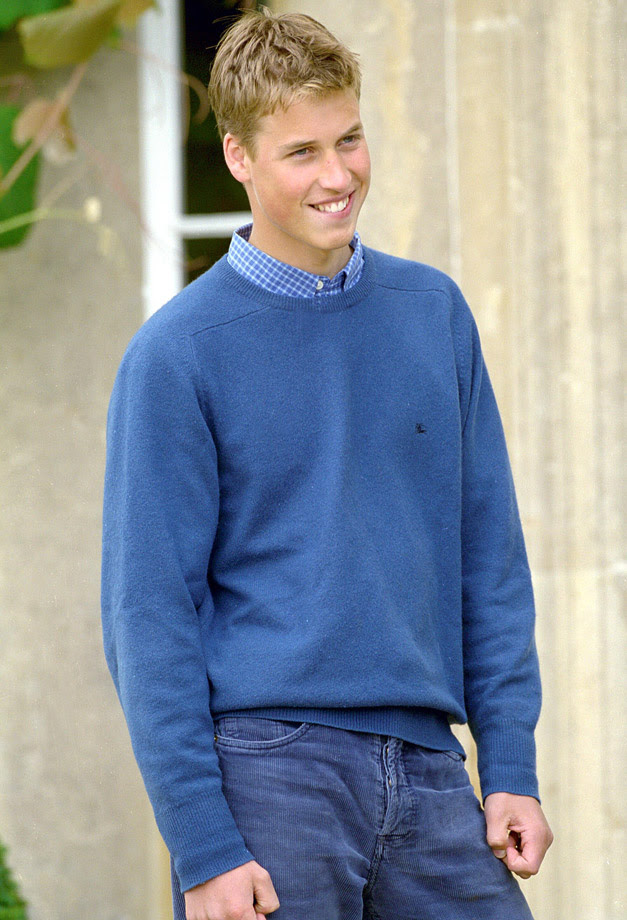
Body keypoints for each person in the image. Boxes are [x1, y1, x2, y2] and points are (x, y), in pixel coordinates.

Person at [101, 9, 553, 920]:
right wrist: (203, 845)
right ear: (238, 157)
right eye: (301, 152)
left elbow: (489, 558)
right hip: (269, 774)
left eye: (348, 139)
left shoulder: (433, 313)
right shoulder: (178, 355)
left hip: (430, 767)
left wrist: (508, 762)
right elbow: (148, 615)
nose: (338, 175)